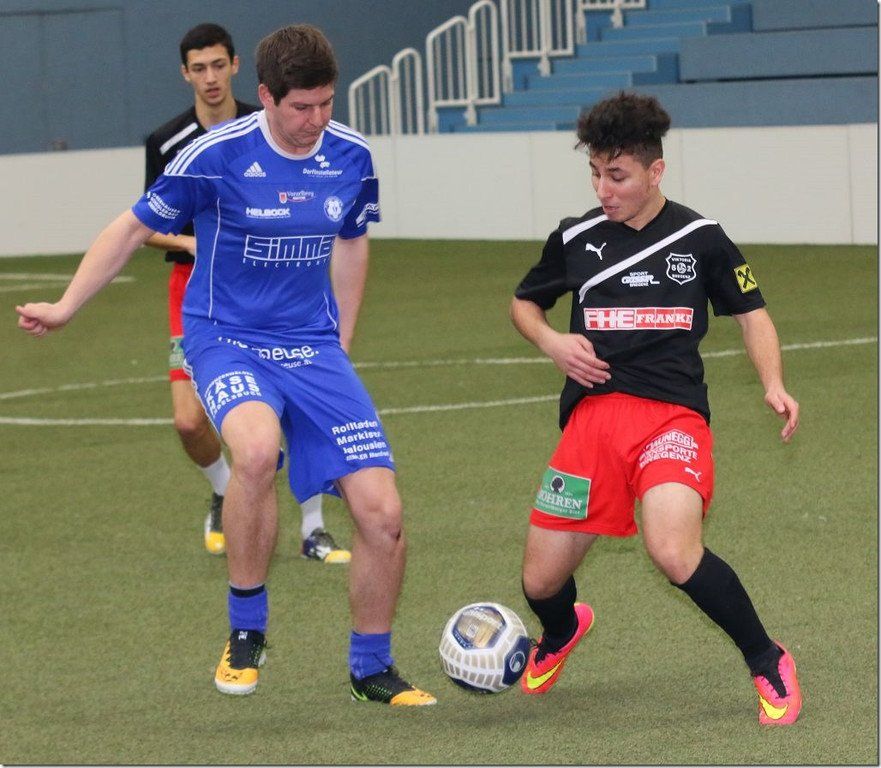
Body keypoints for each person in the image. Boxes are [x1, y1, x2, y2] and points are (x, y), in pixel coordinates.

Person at [17, 23, 434, 706]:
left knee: (383, 514)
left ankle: (371, 667)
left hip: (313, 346)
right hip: (226, 337)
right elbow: (132, 227)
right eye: (301, 107)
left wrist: (341, 340)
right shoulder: (215, 155)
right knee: (256, 450)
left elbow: (352, 241)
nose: (316, 120)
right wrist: (65, 306)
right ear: (266, 96)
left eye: (326, 103)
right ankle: (246, 627)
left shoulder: (352, 155)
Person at [510, 92, 802, 725]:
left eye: (617, 175)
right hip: (591, 424)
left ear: (655, 170)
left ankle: (766, 657)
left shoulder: (701, 239)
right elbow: (524, 304)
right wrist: (553, 341)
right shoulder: (576, 237)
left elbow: (752, 315)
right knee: (540, 583)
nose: (603, 189)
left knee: (672, 549)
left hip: (671, 418)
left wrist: (773, 383)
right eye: (595, 173)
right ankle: (561, 630)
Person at [145, 22, 349, 564]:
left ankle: (313, 527)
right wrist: (194, 241)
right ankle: (223, 488)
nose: (210, 77)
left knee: (297, 406)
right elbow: (146, 223)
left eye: (219, 65)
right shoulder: (167, 141)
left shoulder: (275, 123)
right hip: (196, 292)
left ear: (236, 66)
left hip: (274, 284)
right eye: (199, 68)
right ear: (185, 74)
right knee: (189, 420)